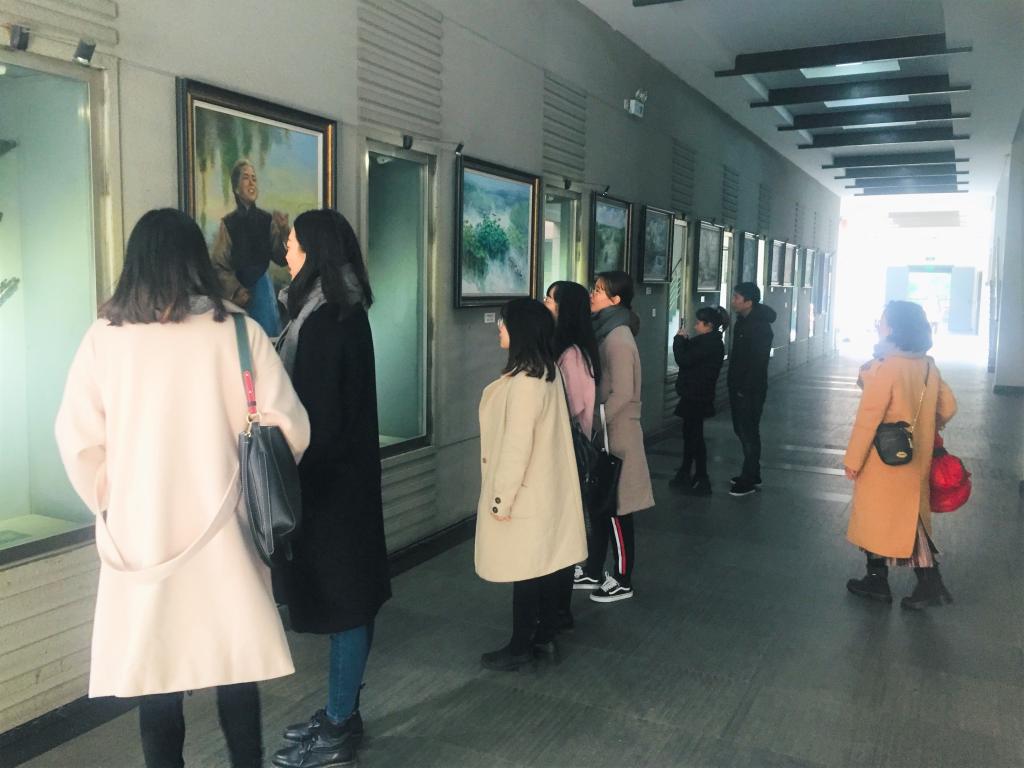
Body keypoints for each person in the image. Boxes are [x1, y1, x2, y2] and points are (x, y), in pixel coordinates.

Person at [54, 209, 310, 768]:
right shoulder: (238, 333)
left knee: (157, 677)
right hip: (228, 533)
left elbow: (76, 440)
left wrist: (116, 496)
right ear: (197, 259)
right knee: (234, 667)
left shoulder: (104, 339)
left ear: (135, 263)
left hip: (143, 538)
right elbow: (291, 428)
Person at [270, 210, 392, 768]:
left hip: (332, 488)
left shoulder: (326, 321)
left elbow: (317, 419)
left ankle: (339, 726)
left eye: (293, 245)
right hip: (346, 483)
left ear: (314, 252)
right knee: (351, 601)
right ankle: (343, 712)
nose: (287, 253)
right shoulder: (339, 310)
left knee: (346, 606)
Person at [476, 298, 588, 671]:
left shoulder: (525, 383)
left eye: (504, 323)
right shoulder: (546, 372)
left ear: (521, 330)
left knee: (524, 571)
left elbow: (515, 449)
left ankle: (520, 645)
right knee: (544, 566)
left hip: (524, 493)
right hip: (545, 490)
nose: (499, 328)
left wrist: (500, 501)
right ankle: (543, 635)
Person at [844, 301, 958, 610]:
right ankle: (888, 580)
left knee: (880, 519)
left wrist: (853, 460)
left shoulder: (888, 366)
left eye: (883, 320)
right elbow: (948, 406)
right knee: (907, 518)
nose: (879, 324)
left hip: (883, 460)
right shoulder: (928, 366)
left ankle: (910, 581)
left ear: (894, 327)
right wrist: (925, 426)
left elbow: (869, 416)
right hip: (915, 458)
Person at [575, 271, 654, 603]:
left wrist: (594, 419)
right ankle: (594, 569)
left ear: (616, 299)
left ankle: (622, 578)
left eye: (599, 290)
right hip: (607, 432)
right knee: (601, 505)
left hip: (617, 435)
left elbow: (623, 393)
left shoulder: (618, 337)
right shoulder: (607, 330)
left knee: (617, 508)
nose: (592, 294)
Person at [544, 280, 601, 631]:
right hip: (562, 450)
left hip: (567, 452)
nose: (545, 303)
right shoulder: (565, 349)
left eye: (551, 299)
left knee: (562, 532)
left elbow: (575, 407)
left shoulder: (572, 355)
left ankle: (559, 610)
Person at [211, 159, 290, 337]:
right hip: (238, 294)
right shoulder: (228, 224)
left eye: (254, 178)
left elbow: (282, 258)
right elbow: (219, 264)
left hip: (262, 291)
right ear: (236, 188)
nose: (252, 183)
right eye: (246, 178)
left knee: (266, 337)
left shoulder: (267, 220)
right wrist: (236, 291)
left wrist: (285, 231)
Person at [670, 305, 729, 496]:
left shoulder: (709, 344)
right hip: (696, 394)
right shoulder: (710, 342)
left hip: (696, 395)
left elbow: (684, 359)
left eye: (698, 323)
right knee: (690, 434)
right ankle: (686, 471)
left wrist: (678, 340)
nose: (695, 326)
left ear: (708, 325)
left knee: (694, 435)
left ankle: (701, 476)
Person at [726, 282, 777, 497]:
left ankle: (748, 479)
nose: (733, 301)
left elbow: (758, 362)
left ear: (748, 302)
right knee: (742, 430)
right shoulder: (743, 321)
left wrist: (744, 388)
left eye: (737, 298)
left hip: (750, 389)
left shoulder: (760, 327)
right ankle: (753, 473)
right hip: (739, 385)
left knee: (748, 432)